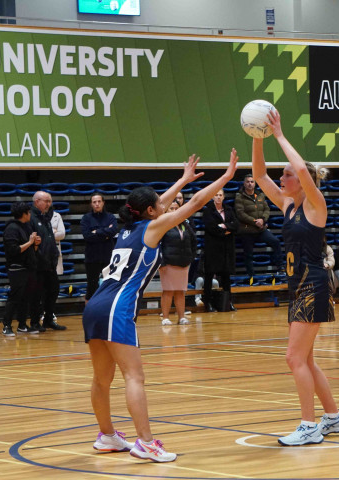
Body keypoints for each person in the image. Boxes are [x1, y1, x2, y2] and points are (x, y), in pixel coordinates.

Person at [82, 150, 238, 462]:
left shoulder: (129, 228)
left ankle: (108, 436)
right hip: (116, 307)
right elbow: (194, 205)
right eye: (157, 204)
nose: (162, 205)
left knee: (101, 378)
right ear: (150, 211)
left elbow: (161, 204)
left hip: (95, 304)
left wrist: (182, 179)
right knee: (134, 377)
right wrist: (226, 177)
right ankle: (146, 443)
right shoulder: (151, 229)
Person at [252, 109, 339, 446]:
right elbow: (259, 174)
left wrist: (279, 135)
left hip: (314, 283)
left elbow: (303, 176)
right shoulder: (288, 205)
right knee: (305, 358)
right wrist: (257, 138)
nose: (281, 179)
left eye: (287, 175)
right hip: (300, 287)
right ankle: (334, 418)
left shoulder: (314, 205)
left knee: (293, 358)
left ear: (302, 180)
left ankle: (309, 427)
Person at [29, 191, 67, 331]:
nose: (49, 204)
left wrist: (54, 255)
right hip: (38, 263)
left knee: (53, 291)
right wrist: (40, 255)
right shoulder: (31, 217)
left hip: (50, 262)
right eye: (46, 201)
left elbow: (53, 237)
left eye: (50, 201)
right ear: (36, 201)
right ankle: (34, 322)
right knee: (37, 293)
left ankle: (48, 320)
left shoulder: (46, 217)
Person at [1, 202, 40, 336]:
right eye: (28, 212)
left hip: (29, 267)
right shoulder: (11, 228)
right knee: (15, 297)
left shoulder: (27, 226)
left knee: (26, 298)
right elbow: (14, 250)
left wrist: (35, 244)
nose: (30, 215)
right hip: (17, 269)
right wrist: (29, 242)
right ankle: (6, 325)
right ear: (23, 214)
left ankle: (22, 325)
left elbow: (30, 250)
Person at [234, 173, 283, 278]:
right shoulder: (239, 196)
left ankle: (280, 268)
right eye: (247, 182)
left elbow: (267, 209)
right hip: (247, 231)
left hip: (261, 229)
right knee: (248, 254)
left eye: (252, 182)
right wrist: (255, 221)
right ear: (244, 183)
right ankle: (251, 276)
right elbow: (240, 214)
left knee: (276, 242)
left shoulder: (260, 195)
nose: (250, 184)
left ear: (255, 183)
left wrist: (263, 219)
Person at [159, 200, 197, 325]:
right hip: (168, 263)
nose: (174, 211)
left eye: (176, 208)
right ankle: (165, 318)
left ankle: (181, 317)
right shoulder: (163, 225)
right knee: (168, 290)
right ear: (166, 211)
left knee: (181, 290)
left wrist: (191, 257)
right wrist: (162, 262)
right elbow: (157, 245)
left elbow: (193, 240)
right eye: (171, 209)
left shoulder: (185, 224)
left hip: (183, 262)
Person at [202, 189, 238, 312]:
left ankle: (228, 303)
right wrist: (226, 230)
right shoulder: (208, 210)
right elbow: (210, 227)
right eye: (216, 195)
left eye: (220, 195)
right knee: (209, 276)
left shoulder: (229, 209)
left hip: (227, 248)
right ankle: (208, 303)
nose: (218, 197)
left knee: (226, 276)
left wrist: (224, 226)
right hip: (213, 248)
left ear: (223, 197)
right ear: (212, 197)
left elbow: (236, 225)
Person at [81, 194, 118, 303]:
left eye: (99, 201)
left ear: (103, 202)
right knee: (91, 286)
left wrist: (96, 232)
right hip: (92, 257)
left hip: (108, 256)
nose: (97, 204)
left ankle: (107, 308)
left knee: (110, 284)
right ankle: (89, 312)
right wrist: (105, 233)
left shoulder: (110, 217)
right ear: (91, 204)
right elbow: (87, 236)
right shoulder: (86, 218)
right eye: (94, 202)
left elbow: (113, 231)